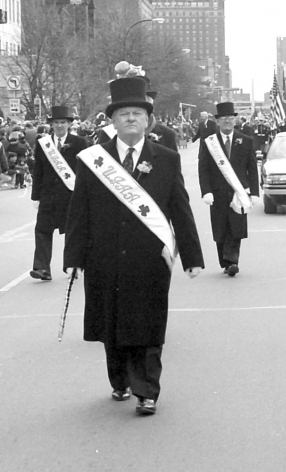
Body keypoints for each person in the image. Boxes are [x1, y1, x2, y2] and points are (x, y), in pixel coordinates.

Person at [64, 76, 204, 416]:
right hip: (104, 257)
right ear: (112, 121)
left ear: (148, 120)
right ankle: (120, 381)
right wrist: (74, 257)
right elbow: (78, 212)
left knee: (148, 323)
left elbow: (180, 209)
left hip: (149, 260)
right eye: (124, 113)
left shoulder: (167, 159)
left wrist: (192, 257)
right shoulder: (92, 160)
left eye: (137, 113)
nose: (130, 119)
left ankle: (147, 390)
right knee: (111, 324)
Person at [198, 102, 259, 276]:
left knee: (236, 228)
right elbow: (203, 168)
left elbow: (252, 168)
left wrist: (254, 192)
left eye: (230, 119)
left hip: (238, 193)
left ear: (235, 121)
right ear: (217, 122)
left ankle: (232, 261)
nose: (227, 122)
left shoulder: (245, 141)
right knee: (220, 228)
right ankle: (224, 261)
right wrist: (206, 191)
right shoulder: (209, 143)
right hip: (216, 194)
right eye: (224, 119)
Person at [30, 106, 88, 281]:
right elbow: (38, 170)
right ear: (51, 125)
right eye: (56, 123)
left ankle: (71, 265)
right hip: (48, 196)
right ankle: (41, 268)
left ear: (69, 124)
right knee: (42, 230)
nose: (60, 126)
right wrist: (36, 195)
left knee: (72, 232)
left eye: (63, 122)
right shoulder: (43, 144)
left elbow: (85, 171)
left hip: (71, 196)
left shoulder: (80, 143)